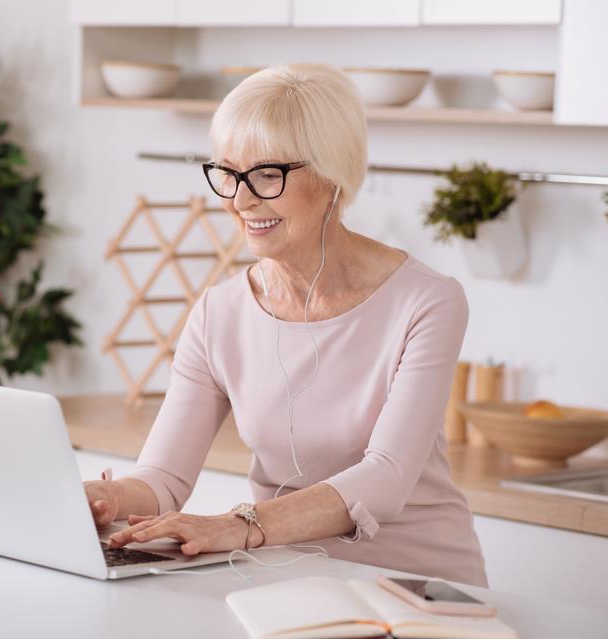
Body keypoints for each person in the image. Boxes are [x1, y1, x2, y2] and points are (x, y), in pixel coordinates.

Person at [84, 63, 487, 587]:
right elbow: (164, 478)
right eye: (228, 173)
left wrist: (238, 525)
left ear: (332, 176)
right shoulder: (219, 312)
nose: (240, 199)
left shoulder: (426, 302)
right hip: (289, 584)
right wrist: (107, 497)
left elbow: (385, 477)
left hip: (420, 588)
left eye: (268, 175)